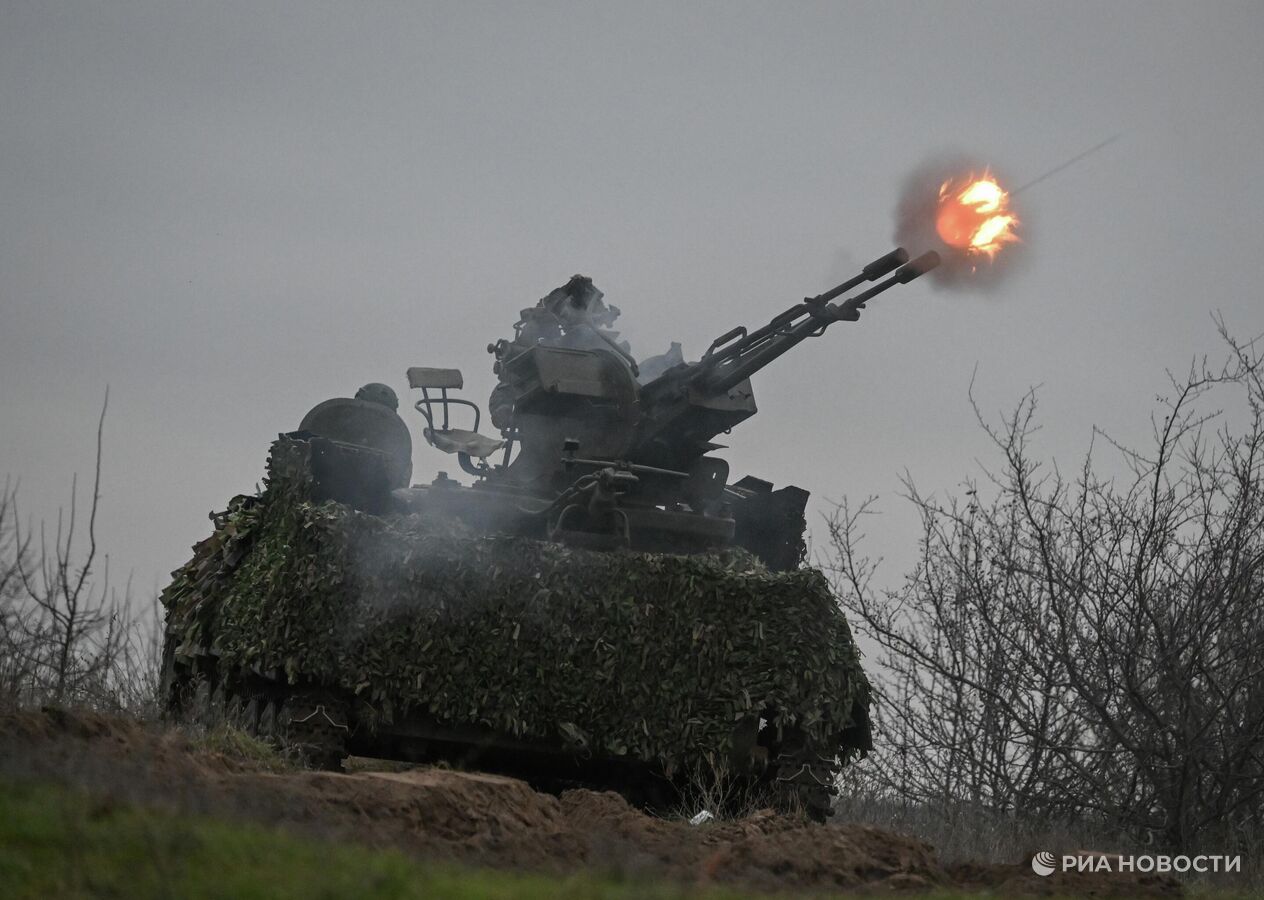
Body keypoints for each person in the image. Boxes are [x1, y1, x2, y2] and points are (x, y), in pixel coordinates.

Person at [488, 275, 634, 430]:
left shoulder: (586, 338)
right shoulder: (548, 340)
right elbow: (508, 391)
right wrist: (506, 413)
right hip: (554, 419)